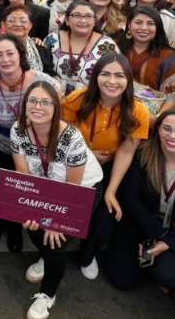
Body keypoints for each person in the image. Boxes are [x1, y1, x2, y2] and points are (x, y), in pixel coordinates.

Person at [10, 79, 103, 319]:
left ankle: (48, 294)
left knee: (55, 242)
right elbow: (24, 176)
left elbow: (73, 187)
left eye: (45, 102)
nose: (37, 106)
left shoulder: (72, 138)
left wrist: (57, 221)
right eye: (32, 100)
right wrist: (32, 211)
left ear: (56, 107)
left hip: (83, 189)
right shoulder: (18, 130)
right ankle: (45, 258)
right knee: (33, 226)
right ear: (25, 104)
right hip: (45, 186)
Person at [105, 110, 175, 294]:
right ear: (157, 131)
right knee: (122, 280)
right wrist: (159, 233)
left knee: (171, 276)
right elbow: (130, 199)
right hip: (140, 223)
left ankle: (155, 265)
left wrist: (170, 240)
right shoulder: (141, 156)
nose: (172, 136)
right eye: (166, 128)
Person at [63, 53, 152, 279]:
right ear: (96, 77)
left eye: (119, 76)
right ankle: (51, 253)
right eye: (106, 74)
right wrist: (86, 153)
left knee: (105, 216)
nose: (112, 81)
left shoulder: (138, 110)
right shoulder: (77, 99)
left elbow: (127, 150)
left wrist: (111, 190)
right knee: (70, 206)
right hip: (76, 160)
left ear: (128, 80)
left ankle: (88, 255)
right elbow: (63, 134)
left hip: (112, 165)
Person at [49, 0, 120, 95]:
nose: (83, 20)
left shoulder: (107, 45)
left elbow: (115, 76)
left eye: (88, 16)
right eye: (77, 15)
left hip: (91, 99)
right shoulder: (52, 39)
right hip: (54, 97)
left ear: (95, 22)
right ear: (67, 20)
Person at [116, 6, 175, 92]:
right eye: (138, 22)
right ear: (129, 25)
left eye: (150, 23)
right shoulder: (116, 48)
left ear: (157, 28)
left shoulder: (168, 57)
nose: (144, 28)